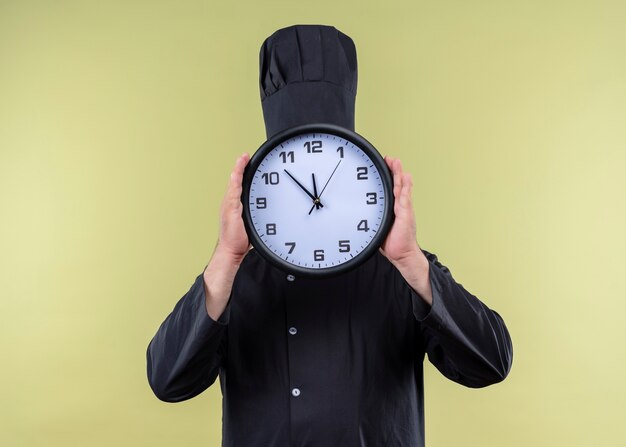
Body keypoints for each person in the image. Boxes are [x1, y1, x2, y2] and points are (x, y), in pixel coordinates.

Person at [147, 24, 513, 447]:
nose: (313, 200)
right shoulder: (234, 276)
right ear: (263, 186)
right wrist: (226, 257)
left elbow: (491, 364)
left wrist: (413, 261)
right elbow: (167, 382)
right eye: (293, 181)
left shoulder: (401, 268)